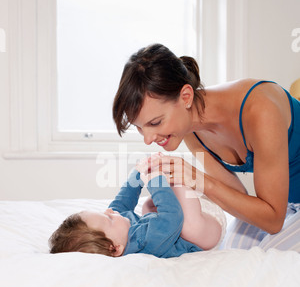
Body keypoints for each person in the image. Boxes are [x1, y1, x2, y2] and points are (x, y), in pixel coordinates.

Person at [112, 44, 300, 251]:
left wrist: (198, 180)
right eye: (140, 128)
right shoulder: (191, 130)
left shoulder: (261, 110)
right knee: (231, 253)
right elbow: (237, 196)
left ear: (186, 97)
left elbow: (272, 221)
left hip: (278, 212)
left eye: (155, 123)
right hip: (285, 205)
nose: (147, 139)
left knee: (268, 257)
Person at [49, 156, 226, 258]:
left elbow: (123, 200)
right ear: (115, 248)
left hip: (193, 213)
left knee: (148, 206)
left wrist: (141, 171)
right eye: (108, 218)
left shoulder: (120, 232)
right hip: (207, 232)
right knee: (187, 225)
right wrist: (155, 178)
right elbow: (172, 217)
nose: (110, 211)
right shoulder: (146, 243)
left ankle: (182, 187)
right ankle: (193, 187)